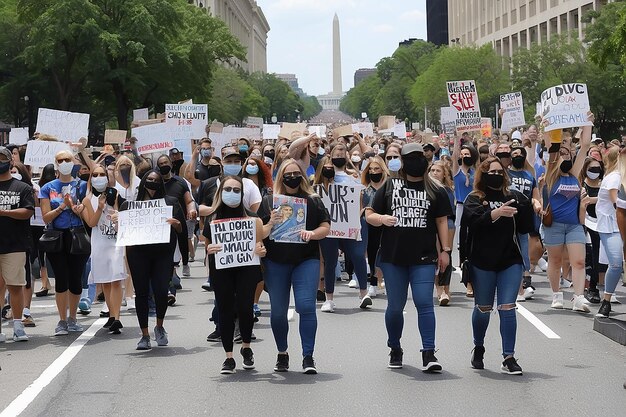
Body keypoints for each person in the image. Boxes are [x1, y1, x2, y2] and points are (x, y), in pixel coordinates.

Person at [365, 143, 451, 372]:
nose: (416, 161)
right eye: (410, 157)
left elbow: (442, 221)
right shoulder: (390, 186)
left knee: (424, 303)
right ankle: (395, 346)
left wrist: (446, 251)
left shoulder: (435, 189)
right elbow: (369, 215)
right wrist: (382, 219)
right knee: (395, 306)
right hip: (393, 258)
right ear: (402, 161)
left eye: (419, 157)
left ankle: (429, 352)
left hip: (423, 256)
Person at [258, 158, 330, 374]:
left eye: (296, 173)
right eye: (287, 174)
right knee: (278, 312)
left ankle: (308, 356)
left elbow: (326, 226)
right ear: (281, 177)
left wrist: (313, 234)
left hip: (305, 259)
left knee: (306, 306)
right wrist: (270, 223)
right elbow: (259, 232)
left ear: (302, 175)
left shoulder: (313, 200)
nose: (292, 177)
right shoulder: (269, 201)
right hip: (276, 261)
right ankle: (282, 353)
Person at [462, 156, 533, 375]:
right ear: (482, 175)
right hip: (482, 261)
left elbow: (525, 229)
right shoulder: (474, 198)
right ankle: (479, 346)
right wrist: (496, 213)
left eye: (499, 172)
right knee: (483, 309)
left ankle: (508, 357)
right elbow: (472, 225)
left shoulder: (514, 197)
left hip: (509, 260)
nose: (495, 175)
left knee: (507, 307)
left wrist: (529, 206)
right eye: (490, 171)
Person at [203, 175, 266, 374]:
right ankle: (228, 357)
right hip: (222, 269)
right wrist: (209, 249)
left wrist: (260, 250)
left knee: (245, 308)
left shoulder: (252, 219)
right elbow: (206, 246)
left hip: (246, 268)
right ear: (221, 192)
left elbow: (259, 243)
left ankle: (246, 347)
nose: (232, 193)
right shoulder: (213, 218)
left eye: (237, 190)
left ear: (242, 193)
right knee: (225, 310)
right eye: (228, 189)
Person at [117, 170, 186, 350]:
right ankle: (145, 334)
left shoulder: (170, 203)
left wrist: (176, 223)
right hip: (138, 254)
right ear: (143, 183)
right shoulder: (129, 206)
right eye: (149, 179)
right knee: (141, 293)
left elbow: (181, 230)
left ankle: (160, 326)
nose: (152, 183)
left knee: (161, 291)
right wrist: (117, 221)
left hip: (162, 254)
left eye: (156, 180)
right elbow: (122, 231)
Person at [543, 117, 593, 313]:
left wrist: (587, 122)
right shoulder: (551, 174)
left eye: (567, 153)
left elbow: (586, 145)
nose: (564, 155)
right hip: (554, 225)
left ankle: (578, 298)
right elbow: (551, 146)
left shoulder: (574, 174)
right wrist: (547, 125)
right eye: (560, 153)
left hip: (574, 225)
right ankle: (556, 295)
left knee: (579, 262)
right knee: (555, 261)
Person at [39, 149, 89, 335]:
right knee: (61, 278)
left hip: (77, 235)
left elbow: (86, 211)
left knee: (76, 277)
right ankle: (61, 320)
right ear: (56, 163)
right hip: (56, 236)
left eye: (68, 159)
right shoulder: (48, 187)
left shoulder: (82, 185)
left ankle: (73, 318)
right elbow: (45, 217)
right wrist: (62, 206)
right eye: (61, 160)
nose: (65, 162)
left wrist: (75, 208)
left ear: (73, 161)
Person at [315, 145, 371, 311]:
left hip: (350, 224)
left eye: (342, 153)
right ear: (330, 156)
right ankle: (329, 299)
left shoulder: (354, 178)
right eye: (336, 153)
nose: (339, 155)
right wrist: (326, 177)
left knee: (358, 255)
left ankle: (364, 293)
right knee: (330, 260)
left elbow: (362, 198)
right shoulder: (321, 179)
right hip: (330, 226)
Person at [81, 164, 126, 334]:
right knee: (106, 281)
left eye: (102, 174)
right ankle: (111, 315)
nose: (99, 177)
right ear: (91, 178)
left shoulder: (115, 194)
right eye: (96, 174)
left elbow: (122, 213)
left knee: (116, 279)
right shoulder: (87, 199)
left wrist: (115, 210)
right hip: (99, 243)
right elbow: (91, 223)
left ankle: (116, 317)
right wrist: (100, 207)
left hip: (114, 242)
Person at [0, 147, 35, 341]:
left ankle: (18, 324)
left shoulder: (22, 188)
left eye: (2, 158)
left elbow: (28, 211)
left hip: (15, 245)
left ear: (11, 162)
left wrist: (4, 213)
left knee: (15, 286)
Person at [507, 146, 542, 302]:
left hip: (524, 216)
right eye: (515, 154)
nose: (518, 156)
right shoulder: (505, 174)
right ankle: (513, 284)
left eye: (521, 154)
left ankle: (523, 281)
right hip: (508, 215)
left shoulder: (529, 175)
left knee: (523, 247)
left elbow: (535, 196)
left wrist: (537, 203)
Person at [592, 146, 623, 317]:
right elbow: (615, 202)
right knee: (616, 263)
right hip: (611, 226)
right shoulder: (615, 177)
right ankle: (606, 301)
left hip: (620, 224)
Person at [360, 156, 389, 298]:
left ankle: (387, 280)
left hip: (386, 225)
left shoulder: (388, 188)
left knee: (386, 253)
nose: (373, 171)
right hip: (369, 226)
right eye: (370, 169)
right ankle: (373, 282)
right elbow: (360, 209)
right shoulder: (364, 190)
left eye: (376, 168)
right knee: (371, 253)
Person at [452, 141, 478, 296]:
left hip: (475, 207)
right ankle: (467, 278)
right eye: (462, 155)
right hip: (461, 207)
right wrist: (457, 138)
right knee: (463, 243)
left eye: (467, 154)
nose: (464, 157)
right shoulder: (457, 171)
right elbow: (454, 156)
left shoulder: (477, 172)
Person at [428, 160, 455, 305]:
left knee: (446, 255)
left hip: (446, 223)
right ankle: (439, 290)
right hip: (429, 225)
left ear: (444, 174)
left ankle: (446, 288)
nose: (434, 173)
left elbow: (449, 213)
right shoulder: (425, 188)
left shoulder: (447, 190)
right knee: (433, 256)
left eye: (438, 171)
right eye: (432, 170)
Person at [579, 156, 605, 303]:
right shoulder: (582, 185)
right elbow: (583, 201)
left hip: (603, 223)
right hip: (586, 223)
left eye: (597, 168)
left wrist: (595, 199)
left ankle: (600, 286)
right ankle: (591, 287)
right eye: (591, 169)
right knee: (590, 257)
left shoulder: (604, 185)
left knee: (602, 257)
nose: (595, 171)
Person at [34, 164, 57, 297]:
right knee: (50, 255)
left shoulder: (40, 187)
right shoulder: (52, 187)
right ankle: (47, 282)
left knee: (41, 255)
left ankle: (45, 283)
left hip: (38, 224)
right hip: (50, 224)